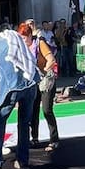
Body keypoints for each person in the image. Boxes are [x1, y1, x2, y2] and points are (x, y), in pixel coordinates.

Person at [0, 28, 37, 169]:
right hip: (31, 83)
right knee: (24, 123)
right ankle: (23, 161)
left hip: (12, 88)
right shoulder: (16, 39)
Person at [23, 21, 59, 152]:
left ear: (29, 35)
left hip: (45, 80)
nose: (22, 40)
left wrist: (44, 69)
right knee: (33, 110)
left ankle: (54, 139)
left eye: (24, 37)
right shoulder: (22, 47)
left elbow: (51, 59)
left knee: (46, 110)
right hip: (33, 81)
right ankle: (34, 138)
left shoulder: (39, 43)